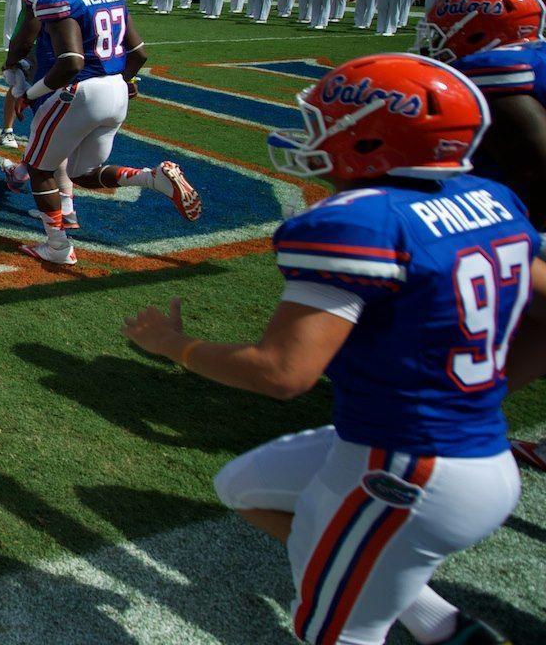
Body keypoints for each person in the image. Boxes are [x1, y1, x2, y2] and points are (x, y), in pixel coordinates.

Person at [124, 53, 541, 645]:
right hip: (458, 451)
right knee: (242, 486)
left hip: (407, 464)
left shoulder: (360, 221)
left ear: (373, 135)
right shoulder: (492, 200)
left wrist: (174, 344)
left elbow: (283, 373)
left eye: (327, 121)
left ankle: (400, 602)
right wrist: (486, 390)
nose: (313, 134)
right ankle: (440, 623)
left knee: (334, 633)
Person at [2, 0, 200, 266]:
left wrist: (29, 94)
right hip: (115, 92)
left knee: (39, 169)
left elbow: (72, 62)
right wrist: (124, 81)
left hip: (81, 91)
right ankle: (152, 179)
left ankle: (57, 246)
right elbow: (138, 53)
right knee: (83, 172)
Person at [415, 0, 544, 227]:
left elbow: (534, 166)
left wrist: (526, 230)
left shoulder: (491, 68)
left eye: (440, 31)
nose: (432, 43)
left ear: (477, 32)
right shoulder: (537, 56)